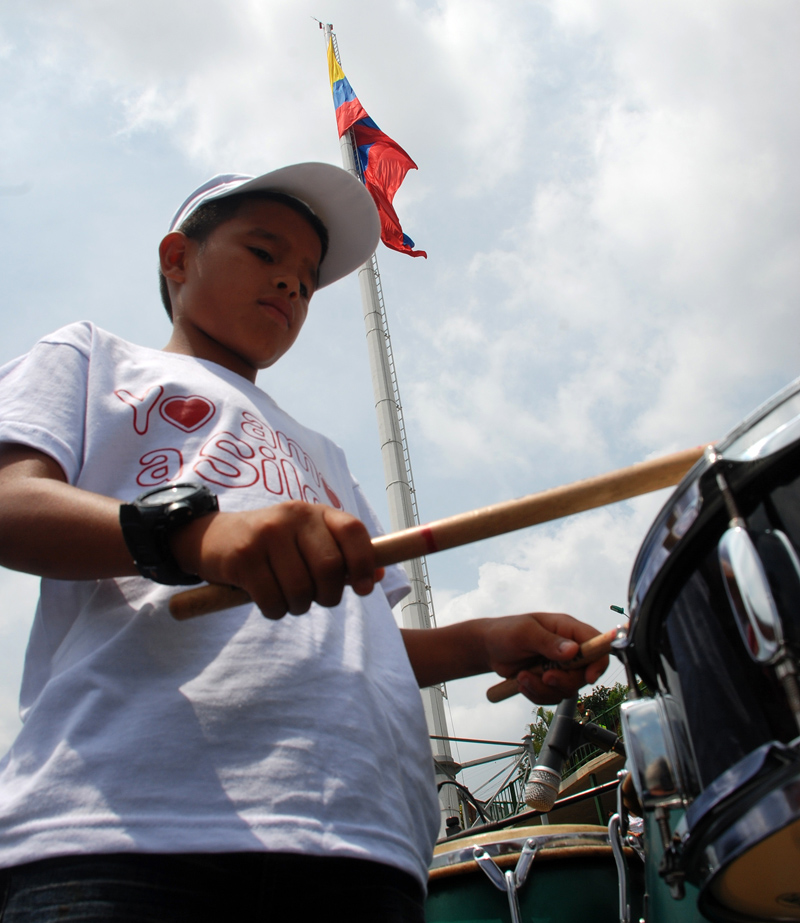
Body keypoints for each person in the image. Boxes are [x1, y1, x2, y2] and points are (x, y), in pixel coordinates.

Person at [0, 163, 607, 922]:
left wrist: (485, 641)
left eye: (309, 281)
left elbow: (359, 643)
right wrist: (194, 535)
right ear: (177, 258)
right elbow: (11, 498)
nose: (291, 283)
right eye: (264, 252)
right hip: (124, 821)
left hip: (362, 841)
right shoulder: (96, 359)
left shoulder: (326, 455)